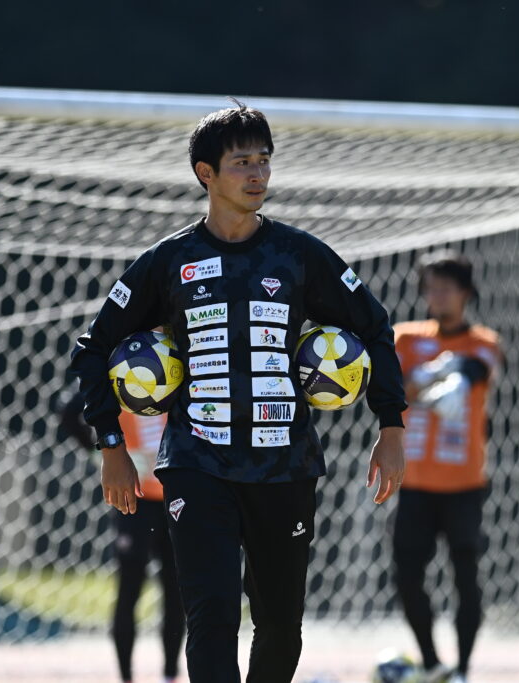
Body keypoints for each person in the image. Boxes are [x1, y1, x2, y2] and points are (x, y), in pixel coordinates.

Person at [69, 100, 406, 683]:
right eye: (242, 162)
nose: (257, 174)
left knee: (280, 626)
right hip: (197, 465)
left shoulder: (299, 254)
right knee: (212, 619)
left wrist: (391, 425)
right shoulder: (169, 261)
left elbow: (375, 328)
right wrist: (111, 445)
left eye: (264, 160)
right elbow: (93, 347)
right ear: (206, 173)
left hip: (285, 466)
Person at [391, 252, 504, 683]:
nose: (437, 296)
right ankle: (432, 664)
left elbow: (478, 369)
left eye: (446, 288)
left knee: (466, 577)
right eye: (431, 288)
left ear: (466, 293)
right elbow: (393, 388)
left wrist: (448, 375)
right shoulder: (404, 338)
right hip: (414, 483)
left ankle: (463, 670)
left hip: (465, 485)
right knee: (406, 575)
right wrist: (432, 377)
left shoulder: (484, 341)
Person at [60, 391, 185, 683]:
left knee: (176, 590)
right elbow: (69, 411)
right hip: (134, 500)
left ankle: (170, 674)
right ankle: (126, 676)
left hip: (176, 497)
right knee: (130, 587)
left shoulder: (178, 371)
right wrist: (103, 452)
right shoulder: (120, 374)